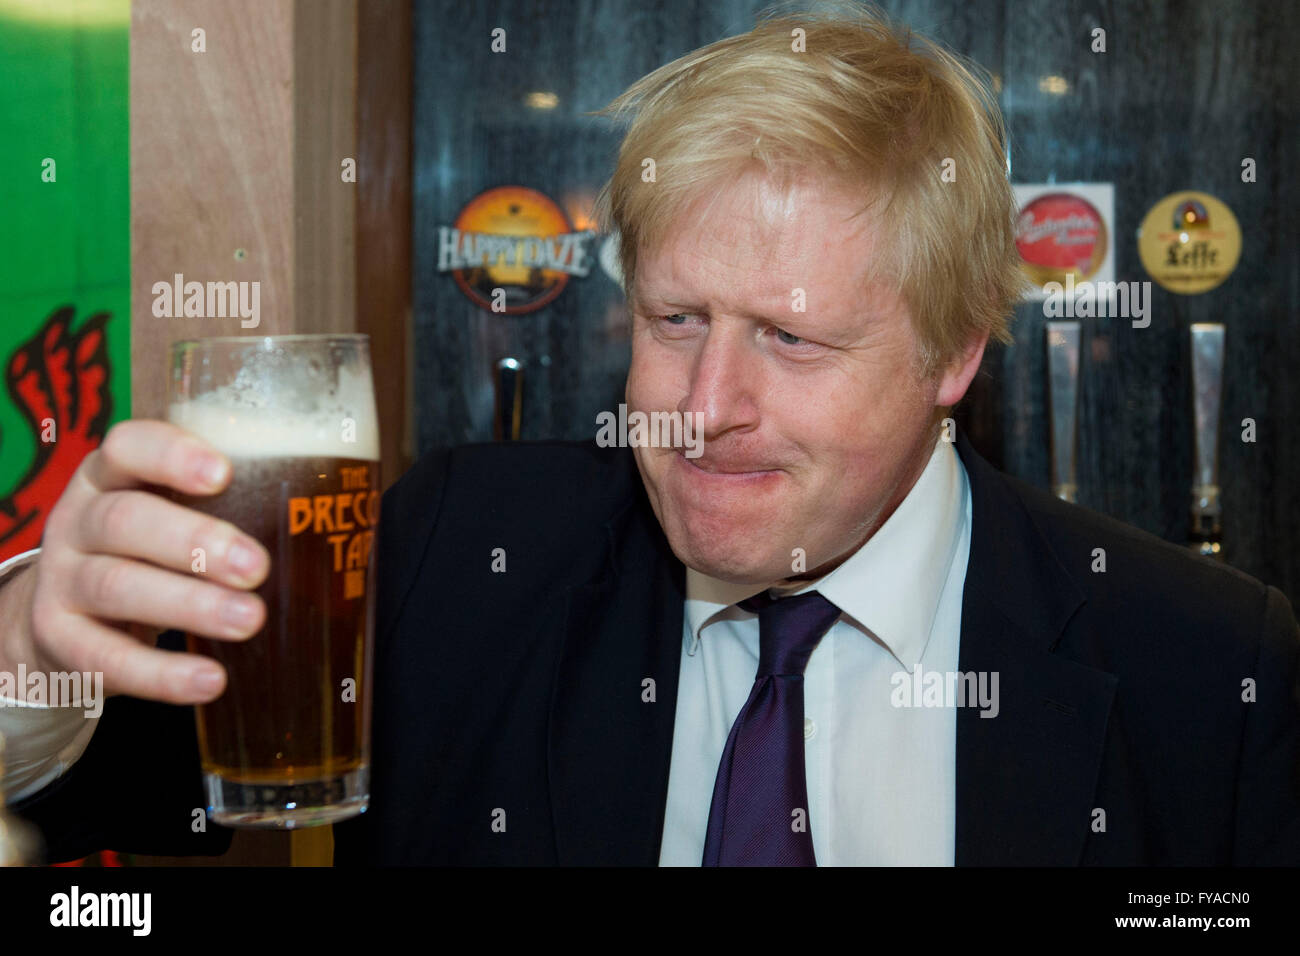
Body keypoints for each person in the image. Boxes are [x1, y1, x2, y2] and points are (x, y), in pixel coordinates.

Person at [1, 6, 1297, 866]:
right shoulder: (462, 554)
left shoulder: (1202, 670)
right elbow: (127, 806)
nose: (702, 400)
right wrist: (31, 665)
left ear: (955, 350)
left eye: (791, 339)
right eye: (675, 318)